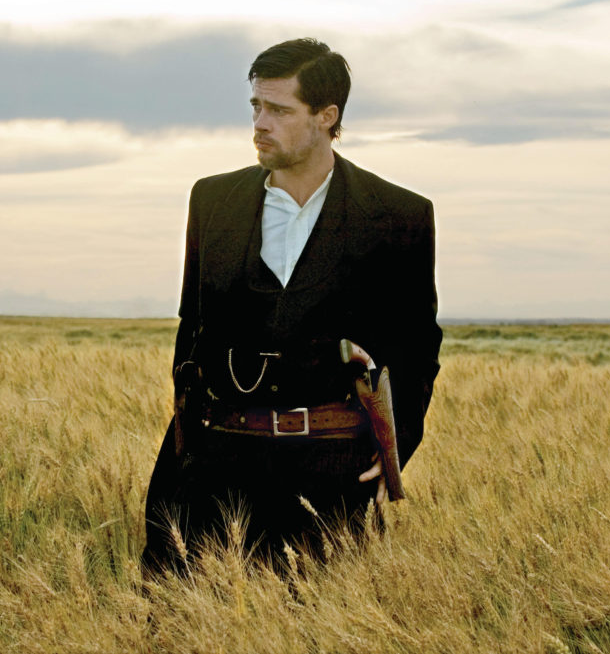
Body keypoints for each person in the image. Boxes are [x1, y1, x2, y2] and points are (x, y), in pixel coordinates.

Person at [141, 38, 441, 574]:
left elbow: (417, 345)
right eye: (256, 106)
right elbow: (192, 329)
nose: (260, 123)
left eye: (279, 110)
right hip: (214, 464)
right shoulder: (211, 201)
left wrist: (396, 447)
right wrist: (182, 460)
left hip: (329, 470)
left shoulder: (398, 215)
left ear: (327, 117)